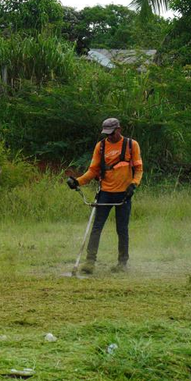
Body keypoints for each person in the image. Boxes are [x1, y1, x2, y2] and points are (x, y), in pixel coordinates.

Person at [66, 117, 143, 273]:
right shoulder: (100, 147)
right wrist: (78, 182)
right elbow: (93, 170)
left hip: (124, 195)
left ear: (119, 129)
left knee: (122, 229)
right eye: (107, 134)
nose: (109, 136)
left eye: (112, 133)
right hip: (105, 193)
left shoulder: (131, 145)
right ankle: (90, 262)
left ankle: (122, 263)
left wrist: (133, 184)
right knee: (96, 227)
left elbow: (139, 169)